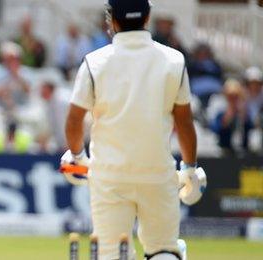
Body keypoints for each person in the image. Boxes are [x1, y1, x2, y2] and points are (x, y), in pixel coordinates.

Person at [62, 1, 206, 259]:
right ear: (148, 17)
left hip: (110, 176)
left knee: (111, 253)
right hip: (158, 174)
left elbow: (74, 121)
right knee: (164, 249)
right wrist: (190, 168)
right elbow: (184, 122)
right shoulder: (174, 60)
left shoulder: (95, 62)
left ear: (112, 21)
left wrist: (77, 156)